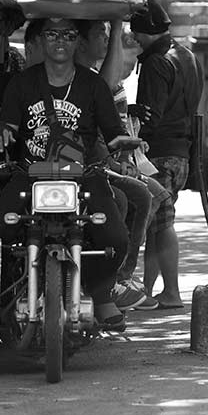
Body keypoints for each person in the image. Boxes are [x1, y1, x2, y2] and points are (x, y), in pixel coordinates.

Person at [0, 17, 142, 331]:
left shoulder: (94, 84)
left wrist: (126, 143)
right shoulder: (22, 83)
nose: (60, 41)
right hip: (30, 174)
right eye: (52, 34)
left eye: (68, 35)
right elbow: (9, 126)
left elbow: (112, 132)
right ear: (41, 41)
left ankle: (99, 293)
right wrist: (0, 131)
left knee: (116, 238)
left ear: (76, 42)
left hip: (83, 175)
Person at [77, 18, 166, 312]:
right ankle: (114, 279)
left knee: (154, 196)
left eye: (110, 35)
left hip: (112, 159)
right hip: (90, 164)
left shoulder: (96, 78)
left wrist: (128, 153)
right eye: (100, 34)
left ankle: (123, 275)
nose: (107, 41)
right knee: (133, 197)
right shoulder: (90, 80)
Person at [131, 0, 202, 310]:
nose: (134, 41)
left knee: (162, 224)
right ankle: (148, 291)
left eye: (136, 35)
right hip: (182, 153)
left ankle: (170, 292)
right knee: (158, 225)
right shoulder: (187, 55)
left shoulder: (156, 62)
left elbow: (150, 115)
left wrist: (130, 123)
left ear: (144, 33)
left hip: (159, 154)